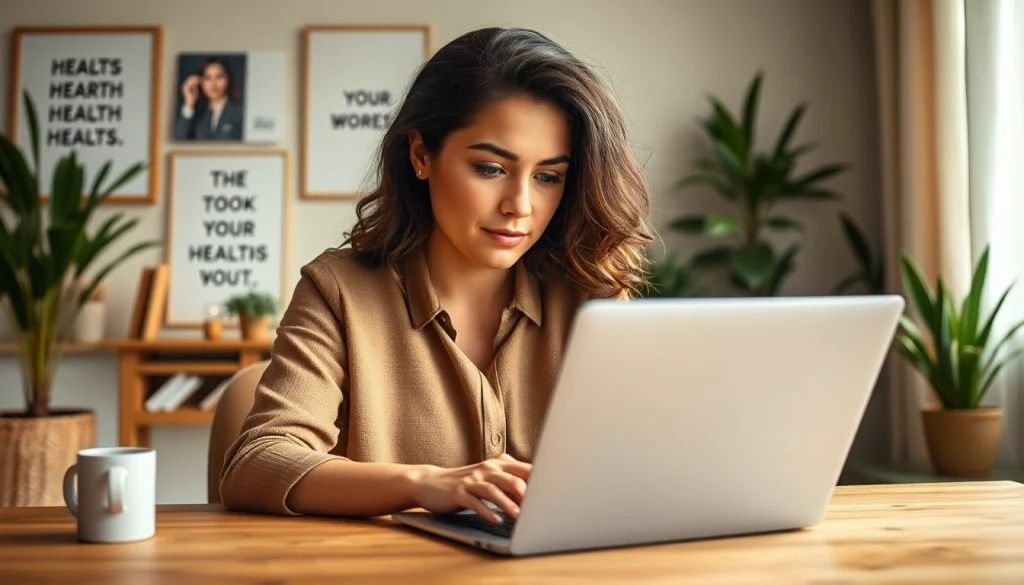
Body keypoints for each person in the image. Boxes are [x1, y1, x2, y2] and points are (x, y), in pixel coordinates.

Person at [219, 27, 653, 523]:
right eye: (491, 168)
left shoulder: (587, 300)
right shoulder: (338, 291)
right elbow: (256, 463)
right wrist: (425, 483)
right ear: (421, 155)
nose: (520, 206)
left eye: (548, 176)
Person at [174, 56, 245, 141]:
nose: (213, 84)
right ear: (201, 82)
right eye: (207, 78)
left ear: (228, 79)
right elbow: (179, 140)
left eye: (219, 77)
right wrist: (189, 104)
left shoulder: (240, 111)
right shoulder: (198, 114)